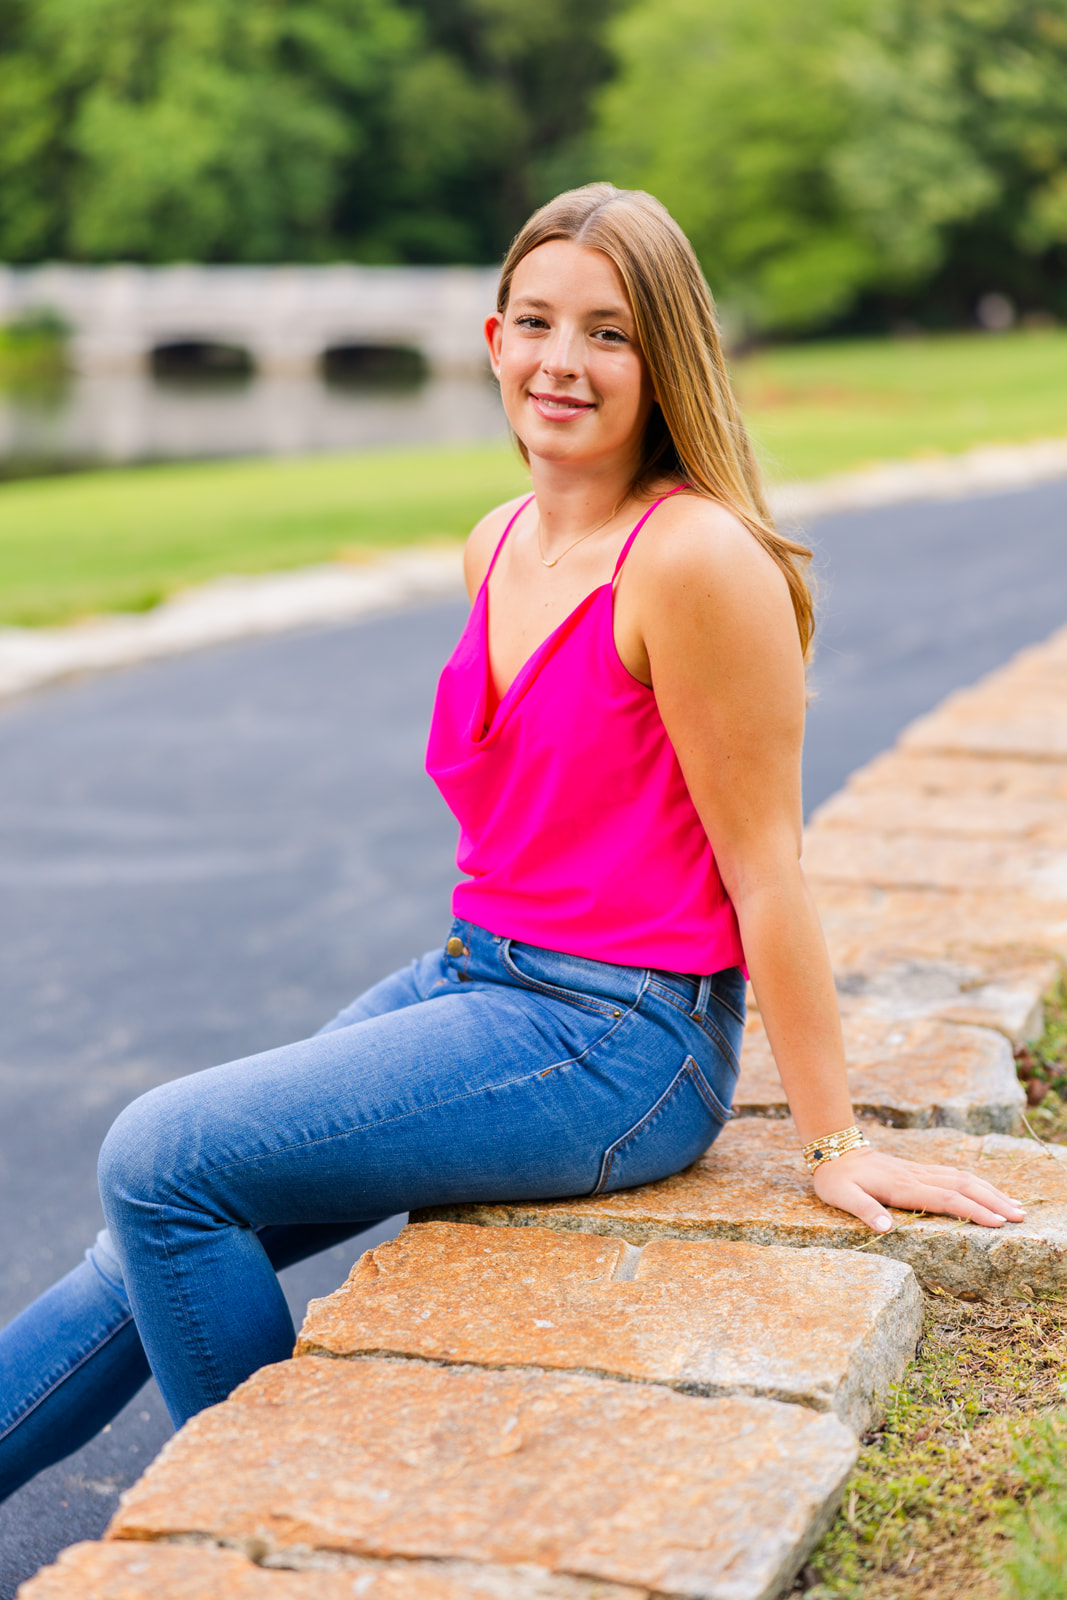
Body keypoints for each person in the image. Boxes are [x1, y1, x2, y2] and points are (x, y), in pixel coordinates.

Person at [0, 184, 1024, 1501]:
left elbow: (768, 866)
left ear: (667, 361)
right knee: (150, 1227)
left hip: (620, 1042)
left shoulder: (694, 560)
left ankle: (270, 1534)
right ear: (490, 341)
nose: (562, 360)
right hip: (480, 980)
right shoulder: (500, 541)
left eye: (609, 332)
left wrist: (835, 1144)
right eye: (536, 322)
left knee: (159, 1154)